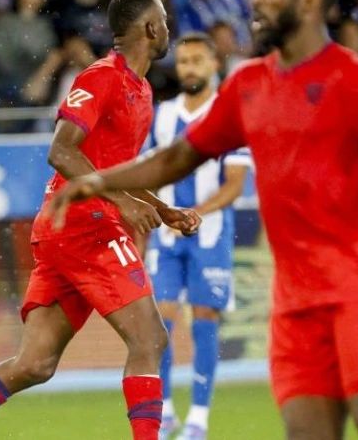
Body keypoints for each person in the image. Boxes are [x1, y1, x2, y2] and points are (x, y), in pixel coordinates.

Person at [48, 0, 358, 439]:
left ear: (309, 1)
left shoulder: (353, 77)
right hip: (295, 296)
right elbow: (177, 159)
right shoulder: (249, 84)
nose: (256, 0)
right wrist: (98, 181)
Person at [0, 0, 201, 440]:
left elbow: (112, 168)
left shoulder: (141, 89)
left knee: (35, 364)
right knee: (150, 340)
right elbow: (61, 151)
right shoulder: (103, 77)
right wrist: (123, 204)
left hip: (73, 225)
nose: (169, 26)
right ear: (150, 28)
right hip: (83, 224)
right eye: (164, 19)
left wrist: (161, 209)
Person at [148, 32, 251, 440]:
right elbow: (152, 171)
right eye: (184, 61)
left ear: (214, 66)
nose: (188, 68)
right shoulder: (162, 116)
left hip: (211, 235)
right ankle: (167, 411)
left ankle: (199, 419)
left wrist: (197, 213)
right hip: (168, 236)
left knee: (205, 321)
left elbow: (235, 184)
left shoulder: (230, 116)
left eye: (197, 61)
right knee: (161, 322)